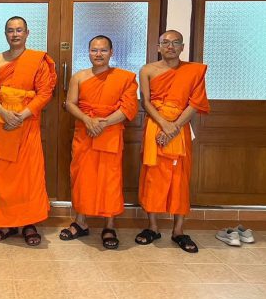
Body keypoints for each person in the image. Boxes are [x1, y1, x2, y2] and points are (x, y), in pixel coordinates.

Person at [59, 36, 138, 249]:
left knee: (110, 179)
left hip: (110, 133)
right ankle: (80, 222)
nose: (98, 54)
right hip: (85, 133)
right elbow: (70, 104)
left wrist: (103, 123)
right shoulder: (79, 77)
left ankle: (109, 225)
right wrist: (87, 120)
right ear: (89, 52)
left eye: (103, 50)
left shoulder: (125, 78)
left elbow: (129, 108)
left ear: (111, 52)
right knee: (81, 177)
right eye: (94, 50)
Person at [135, 30, 209, 254]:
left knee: (180, 178)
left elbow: (195, 103)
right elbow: (145, 102)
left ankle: (178, 230)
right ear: (158, 47)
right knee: (152, 176)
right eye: (165, 42)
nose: (170, 46)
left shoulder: (193, 71)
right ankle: (153, 227)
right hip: (155, 125)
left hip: (180, 128)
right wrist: (163, 125)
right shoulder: (147, 70)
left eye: (176, 42)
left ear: (182, 47)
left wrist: (174, 127)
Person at [0, 16, 57, 246]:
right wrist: (5, 113)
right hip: (3, 122)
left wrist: (21, 116)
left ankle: (29, 224)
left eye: (19, 30)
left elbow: (45, 93)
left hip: (27, 124)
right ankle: (5, 223)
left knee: (28, 175)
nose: (15, 34)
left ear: (27, 33)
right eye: (10, 30)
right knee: (2, 175)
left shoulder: (38, 60)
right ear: (5, 34)